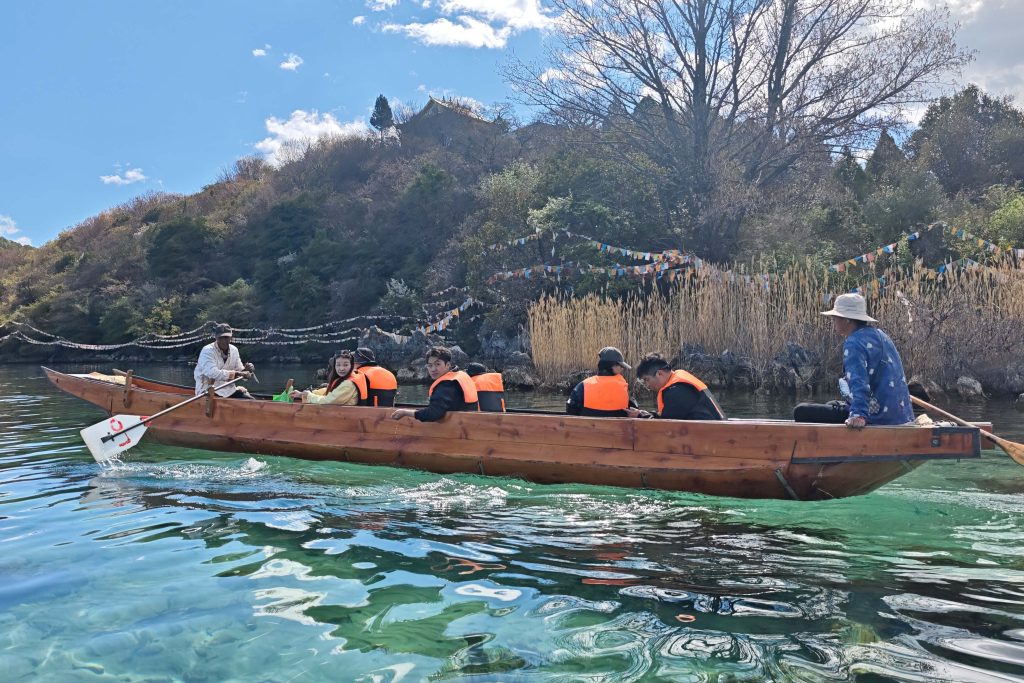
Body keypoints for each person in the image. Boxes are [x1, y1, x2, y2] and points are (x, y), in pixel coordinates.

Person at [794, 293, 914, 428]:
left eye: (835, 318)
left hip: (877, 417)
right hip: (899, 416)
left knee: (801, 411)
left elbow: (859, 382)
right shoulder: (880, 335)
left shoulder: (854, 343)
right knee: (830, 404)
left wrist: (858, 415)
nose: (833, 320)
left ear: (847, 320)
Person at [627, 353, 725, 420]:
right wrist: (642, 414)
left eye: (646, 380)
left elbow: (664, 426)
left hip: (710, 437)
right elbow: (668, 416)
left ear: (659, 374)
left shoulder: (675, 392)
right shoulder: (678, 383)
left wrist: (640, 417)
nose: (647, 385)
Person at [391, 346, 478, 422]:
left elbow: (434, 414)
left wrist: (405, 412)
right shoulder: (459, 376)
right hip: (471, 422)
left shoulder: (447, 384)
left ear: (448, 365)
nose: (433, 369)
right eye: (430, 365)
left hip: (458, 429)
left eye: (437, 364)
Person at [566, 347, 638, 417]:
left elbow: (570, 409)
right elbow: (635, 410)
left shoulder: (583, 386)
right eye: (621, 366)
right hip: (617, 428)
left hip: (589, 428)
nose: (622, 368)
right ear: (612, 366)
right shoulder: (624, 387)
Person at [194, 324, 254, 399]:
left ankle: (273, 399)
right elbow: (213, 373)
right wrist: (238, 373)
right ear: (216, 337)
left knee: (252, 400)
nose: (224, 341)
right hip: (207, 391)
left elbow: (241, 372)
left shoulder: (234, 350)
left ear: (231, 337)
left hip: (229, 391)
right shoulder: (207, 351)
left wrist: (246, 370)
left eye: (226, 337)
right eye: (220, 338)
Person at [291, 350, 359, 405]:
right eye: (338, 365)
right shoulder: (344, 379)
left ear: (351, 365)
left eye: (345, 365)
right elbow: (328, 391)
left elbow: (329, 401)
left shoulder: (348, 384)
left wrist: (309, 396)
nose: (341, 368)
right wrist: (302, 394)